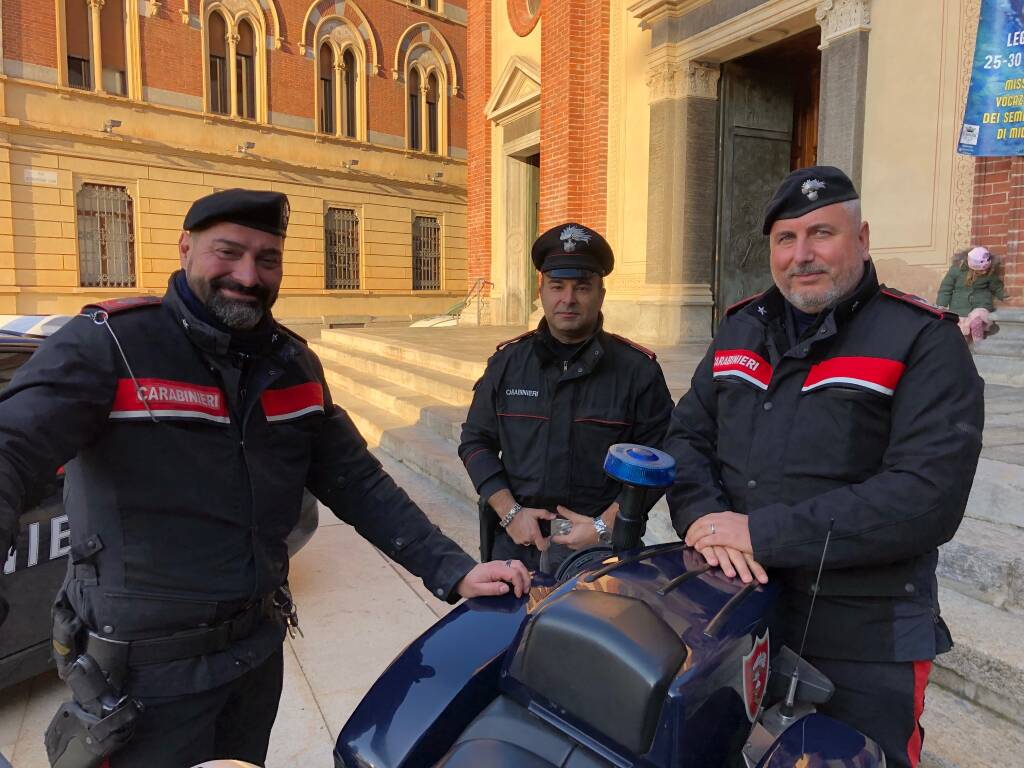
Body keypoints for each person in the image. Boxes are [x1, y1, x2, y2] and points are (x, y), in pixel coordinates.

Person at [0, 189, 530, 768]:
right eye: (228, 252)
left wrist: (453, 569)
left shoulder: (292, 364)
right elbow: (11, 447)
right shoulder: (110, 345)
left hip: (252, 659)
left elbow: (357, 481)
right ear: (185, 249)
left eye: (267, 259)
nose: (247, 275)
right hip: (143, 680)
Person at [664, 166, 984, 768]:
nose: (802, 255)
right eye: (786, 239)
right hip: (735, 608)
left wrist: (761, 533)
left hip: (863, 635)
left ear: (861, 239)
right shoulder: (741, 327)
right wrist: (705, 518)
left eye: (821, 234)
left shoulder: (922, 340)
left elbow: (926, 496)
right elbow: (687, 436)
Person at [459, 223, 673, 573]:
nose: (568, 299)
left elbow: (663, 457)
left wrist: (605, 525)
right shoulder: (507, 364)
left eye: (582, 287)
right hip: (516, 543)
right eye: (557, 286)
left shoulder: (637, 372)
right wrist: (509, 512)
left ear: (601, 294)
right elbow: (475, 442)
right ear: (541, 292)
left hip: (600, 552)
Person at [936, 245, 1008, 342]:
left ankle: (979, 345)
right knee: (960, 332)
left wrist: (1007, 298)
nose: (984, 272)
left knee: (976, 323)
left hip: (980, 306)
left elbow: (997, 287)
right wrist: (942, 305)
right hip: (959, 307)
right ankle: (962, 350)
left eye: (986, 269)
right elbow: (946, 288)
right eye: (981, 270)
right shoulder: (957, 270)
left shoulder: (990, 273)